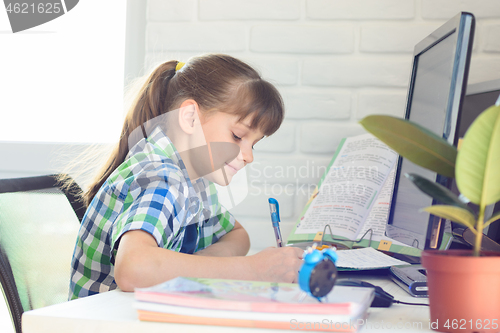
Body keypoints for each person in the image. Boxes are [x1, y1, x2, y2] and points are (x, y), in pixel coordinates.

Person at [68, 54, 303, 300]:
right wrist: (252, 270)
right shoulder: (161, 177)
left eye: (253, 145)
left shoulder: (196, 180)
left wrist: (197, 265)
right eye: (237, 136)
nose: (248, 156)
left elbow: (237, 235)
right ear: (190, 117)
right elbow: (133, 269)